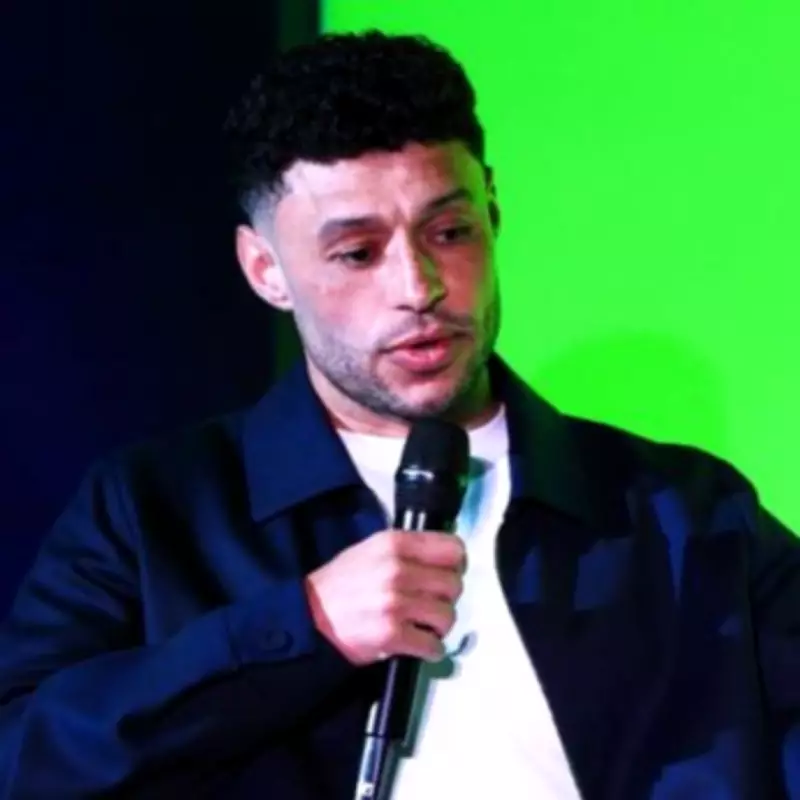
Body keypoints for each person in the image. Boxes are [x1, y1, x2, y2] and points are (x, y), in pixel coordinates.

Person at [0, 29, 798, 800]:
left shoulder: (684, 512)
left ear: (493, 212)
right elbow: (20, 759)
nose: (419, 287)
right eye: (357, 252)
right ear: (265, 269)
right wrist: (302, 625)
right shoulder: (155, 511)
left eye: (449, 232)